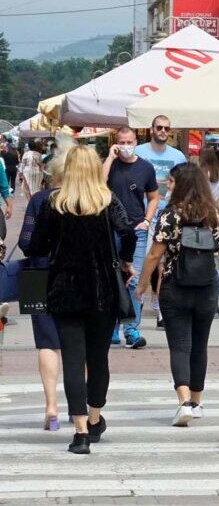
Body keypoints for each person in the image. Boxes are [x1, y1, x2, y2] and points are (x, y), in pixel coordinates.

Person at [27, 145, 137, 454]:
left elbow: (35, 246)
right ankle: (94, 418)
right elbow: (127, 233)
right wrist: (126, 262)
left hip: (65, 290)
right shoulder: (107, 201)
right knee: (98, 359)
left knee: (73, 361)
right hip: (102, 290)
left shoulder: (55, 203)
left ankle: (79, 434)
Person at [136, 164, 219, 426]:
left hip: (174, 286)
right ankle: (197, 401)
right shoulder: (213, 214)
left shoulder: (170, 216)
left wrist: (142, 285)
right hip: (206, 288)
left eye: (170, 181)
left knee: (179, 345)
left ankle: (184, 401)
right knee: (200, 346)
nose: (168, 185)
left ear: (180, 184)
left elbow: (155, 254)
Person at [17, 132, 73, 432]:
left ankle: (51, 407)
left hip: (40, 275)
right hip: (78, 278)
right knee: (79, 343)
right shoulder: (84, 199)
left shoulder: (39, 200)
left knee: (47, 343)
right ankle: (81, 405)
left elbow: (26, 242)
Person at [103, 126, 159, 349]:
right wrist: (109, 157)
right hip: (109, 229)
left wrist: (146, 220)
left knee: (133, 278)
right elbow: (98, 182)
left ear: (135, 142)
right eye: (121, 142)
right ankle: (112, 328)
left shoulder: (145, 168)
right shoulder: (111, 165)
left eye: (129, 142)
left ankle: (132, 328)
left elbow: (153, 197)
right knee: (111, 278)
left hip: (136, 230)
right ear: (116, 143)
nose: (126, 146)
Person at [134, 116, 188, 326]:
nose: (163, 131)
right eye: (159, 127)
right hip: (144, 216)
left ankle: (160, 308)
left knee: (165, 265)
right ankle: (137, 306)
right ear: (152, 129)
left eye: (166, 128)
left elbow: (185, 185)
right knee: (143, 262)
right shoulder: (139, 152)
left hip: (170, 216)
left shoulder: (178, 156)